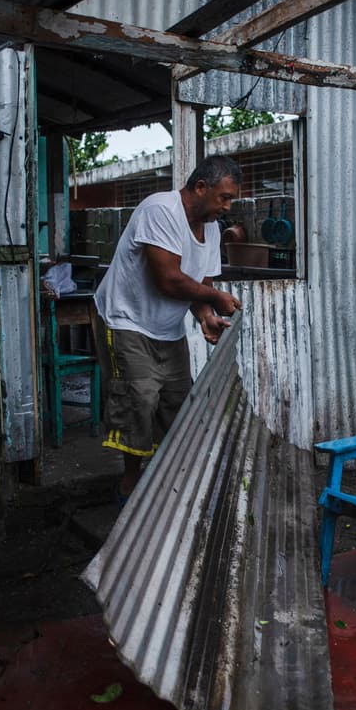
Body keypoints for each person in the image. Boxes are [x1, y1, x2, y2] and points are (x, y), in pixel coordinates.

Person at [92, 155, 244, 502]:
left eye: (231, 199)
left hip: (167, 328)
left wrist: (205, 314)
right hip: (126, 320)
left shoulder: (212, 230)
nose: (227, 206)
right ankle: (129, 487)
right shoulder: (160, 210)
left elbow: (197, 284)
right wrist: (217, 296)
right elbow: (168, 280)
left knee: (177, 404)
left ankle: (164, 486)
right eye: (225, 197)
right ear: (201, 187)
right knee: (139, 400)